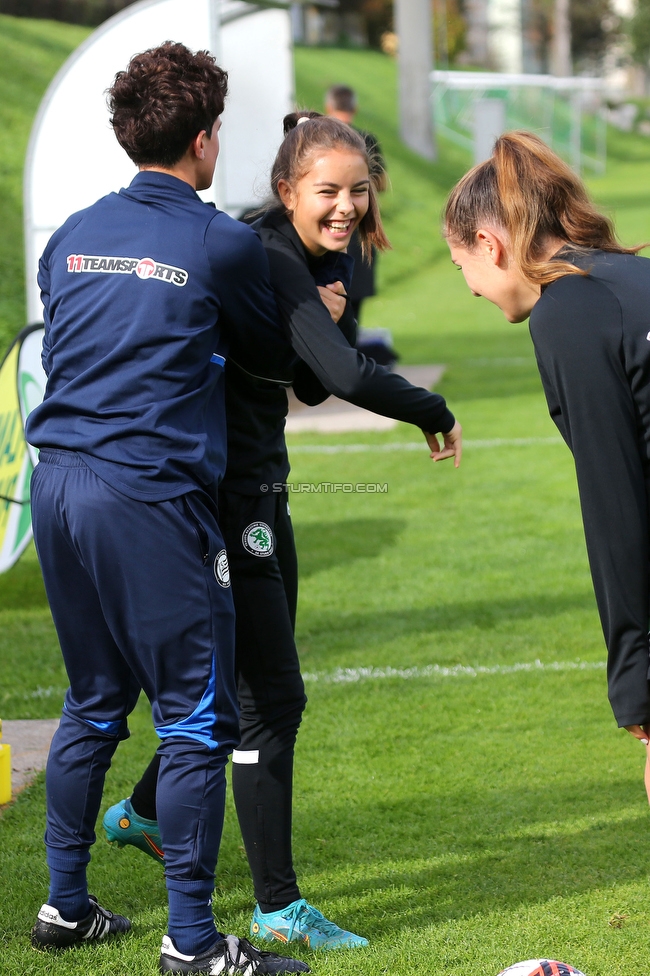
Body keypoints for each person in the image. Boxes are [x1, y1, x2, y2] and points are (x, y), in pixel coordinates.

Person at [104, 110, 462, 952]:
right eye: (327, 190)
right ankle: (275, 905)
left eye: (358, 190)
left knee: (241, 688)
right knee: (275, 699)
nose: (345, 206)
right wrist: (432, 410)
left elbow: (297, 382)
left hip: (259, 493)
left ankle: (143, 809)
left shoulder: (306, 255)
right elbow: (338, 376)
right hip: (228, 502)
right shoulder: (266, 250)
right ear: (285, 190)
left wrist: (322, 317)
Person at [25, 42, 309, 976]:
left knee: (94, 703)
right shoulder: (219, 239)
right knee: (195, 721)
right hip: (145, 494)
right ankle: (192, 944)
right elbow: (272, 358)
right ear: (204, 138)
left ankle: (65, 909)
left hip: (56, 484)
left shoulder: (70, 233)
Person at [444, 130, 650, 753]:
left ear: (490, 243)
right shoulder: (631, 276)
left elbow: (616, 506)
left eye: (464, 268)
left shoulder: (568, 311)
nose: (471, 289)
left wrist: (637, 688)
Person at [324, 85, 388, 340]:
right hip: (358, 237)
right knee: (352, 320)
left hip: (329, 241)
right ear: (355, 108)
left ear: (329, 107)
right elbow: (381, 183)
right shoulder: (366, 139)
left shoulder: (322, 140)